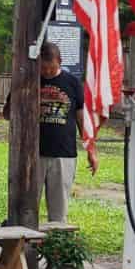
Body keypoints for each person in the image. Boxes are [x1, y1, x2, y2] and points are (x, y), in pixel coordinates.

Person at [36, 41, 97, 224]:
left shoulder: (72, 83)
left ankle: (55, 251)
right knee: (27, 208)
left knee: (58, 211)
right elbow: (8, 113)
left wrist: (91, 149)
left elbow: (81, 118)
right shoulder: (30, 80)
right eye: (43, 68)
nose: (46, 72)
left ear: (60, 61)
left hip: (63, 154)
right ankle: (24, 251)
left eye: (51, 68)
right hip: (33, 154)